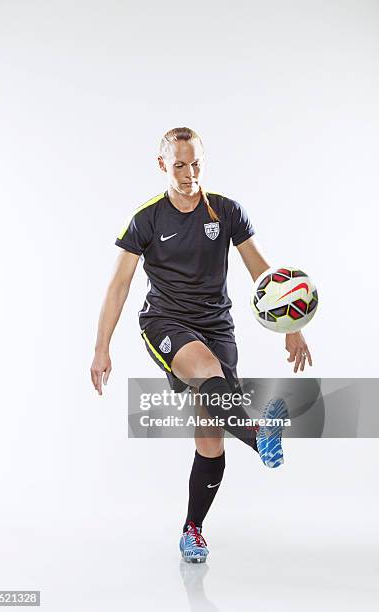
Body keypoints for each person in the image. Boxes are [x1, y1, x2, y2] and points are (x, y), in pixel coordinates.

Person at [90, 126, 313, 563]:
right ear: (162, 166)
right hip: (166, 323)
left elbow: (261, 270)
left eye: (196, 163)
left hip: (217, 326)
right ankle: (260, 433)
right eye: (179, 165)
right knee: (208, 372)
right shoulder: (147, 219)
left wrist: (292, 325)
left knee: (210, 437)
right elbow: (118, 285)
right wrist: (102, 347)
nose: (189, 173)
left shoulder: (227, 212)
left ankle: (192, 530)